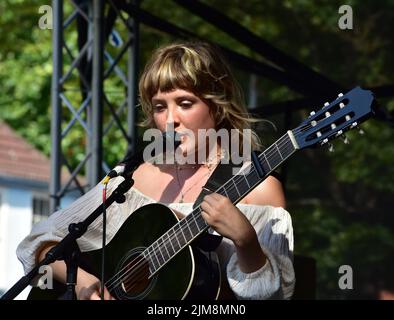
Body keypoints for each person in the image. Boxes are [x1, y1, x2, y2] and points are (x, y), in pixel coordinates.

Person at [16, 42, 295, 300]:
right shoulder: (133, 178)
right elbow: (41, 242)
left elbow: (275, 296)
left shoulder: (255, 186)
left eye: (185, 103)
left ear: (218, 105)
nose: (170, 120)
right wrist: (83, 285)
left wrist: (246, 241)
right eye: (160, 107)